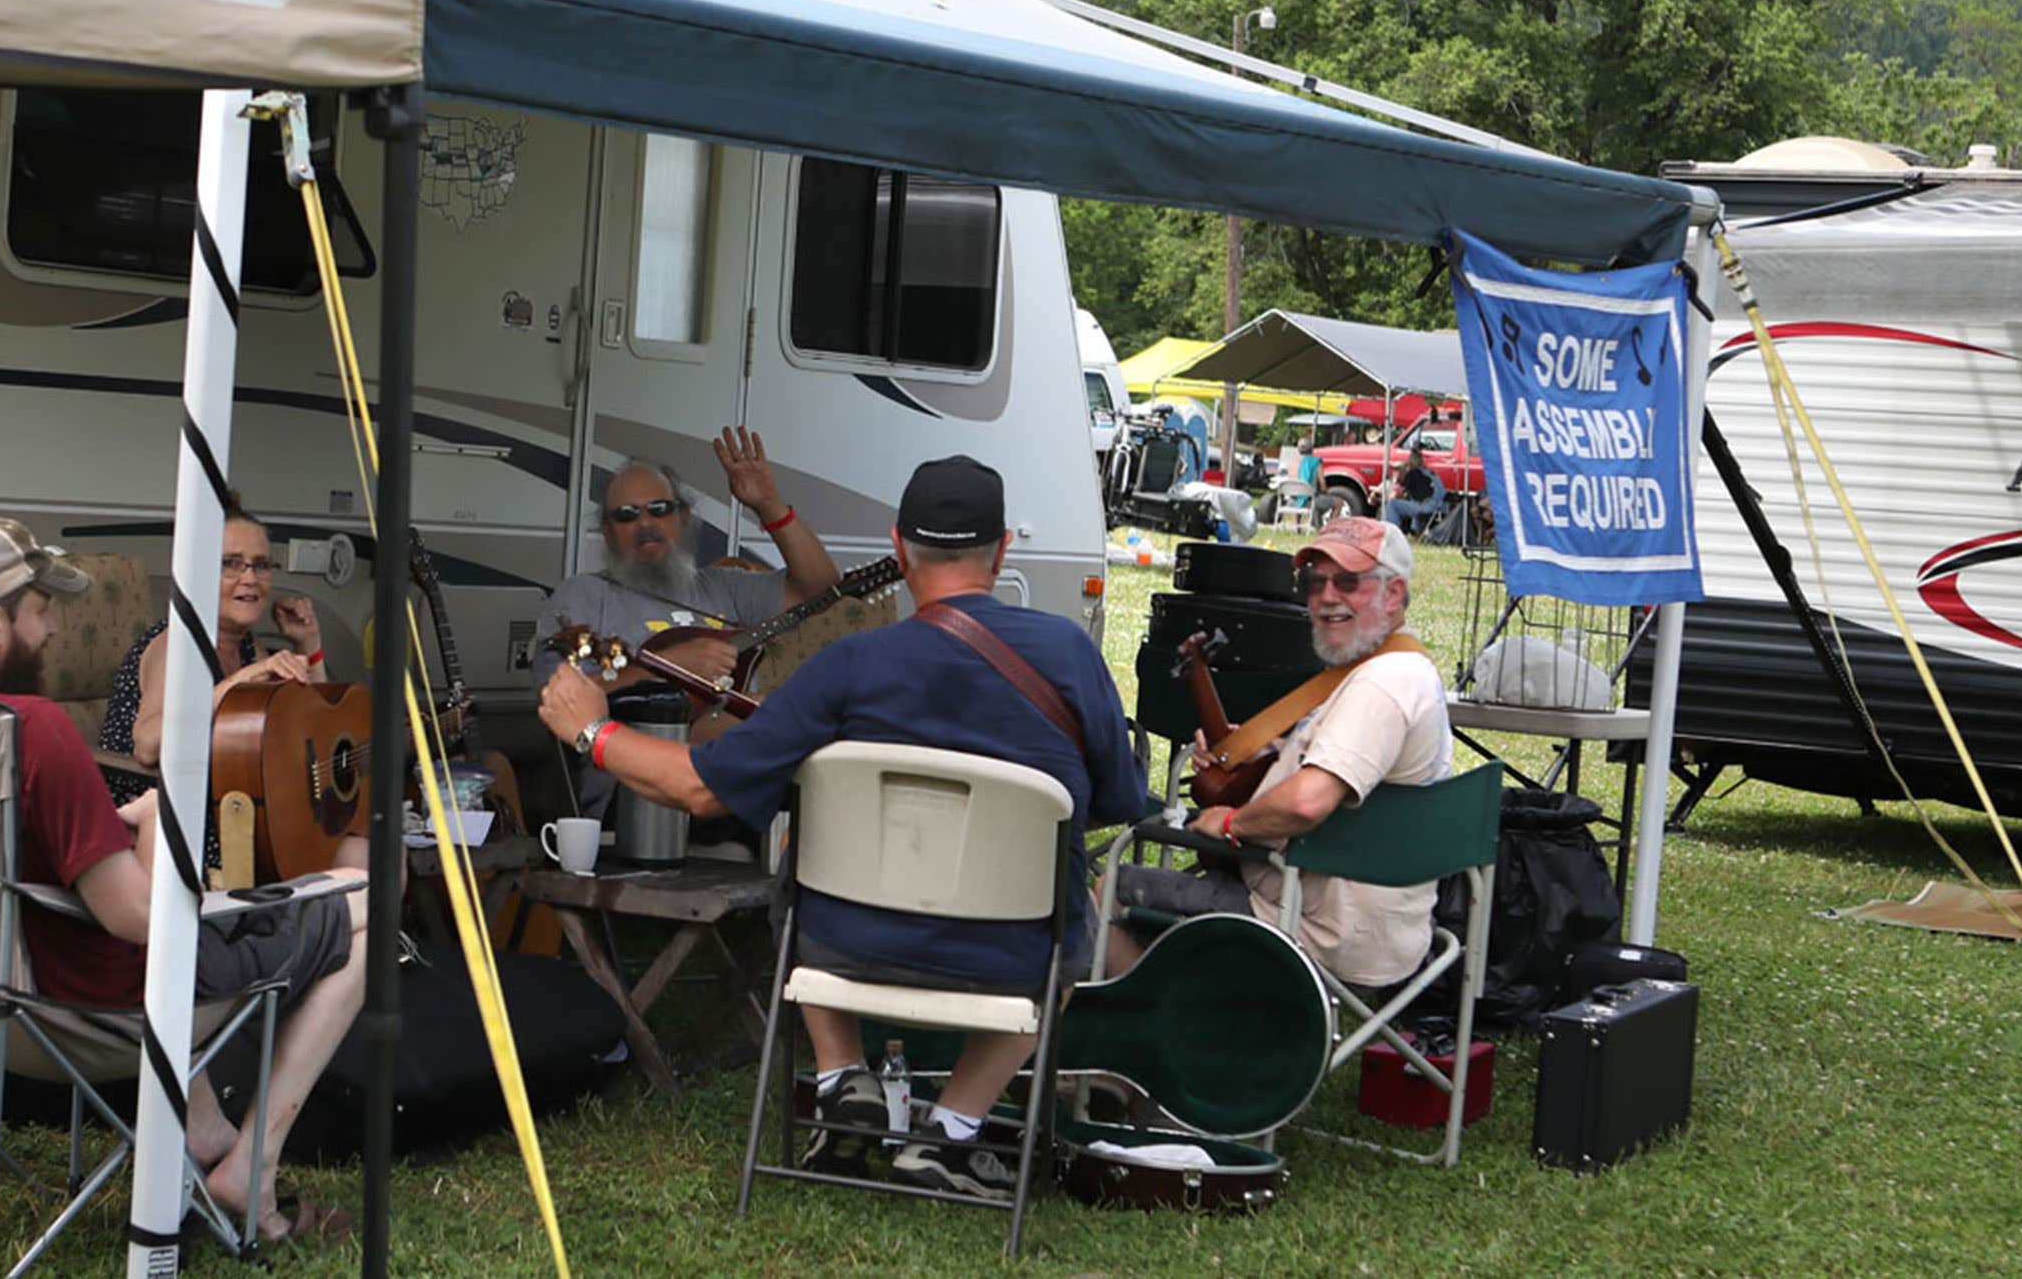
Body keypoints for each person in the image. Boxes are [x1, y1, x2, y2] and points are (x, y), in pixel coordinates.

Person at [538, 456, 1148, 1204]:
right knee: (1071, 894)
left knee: (801, 849)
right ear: (1000, 552)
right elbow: (1118, 800)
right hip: (1015, 953)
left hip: (848, 944)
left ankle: (840, 1077)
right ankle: (954, 1129)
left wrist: (592, 732)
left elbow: (698, 787)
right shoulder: (1070, 655)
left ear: (899, 550)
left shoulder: (850, 665)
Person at [0, 515, 368, 1250]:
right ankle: (252, 1170)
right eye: (41, 611)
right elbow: (142, 921)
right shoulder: (34, 728)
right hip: (90, 1000)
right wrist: (151, 819)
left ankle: (203, 1128)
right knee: (365, 905)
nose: (54, 629)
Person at [1108, 515, 1452, 993]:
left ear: (1393, 594)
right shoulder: (1386, 668)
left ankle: (1151, 1024)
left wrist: (1231, 824)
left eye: (1347, 582)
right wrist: (1250, 748)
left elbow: (1307, 802)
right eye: (1315, 582)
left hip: (1311, 924)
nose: (1326, 597)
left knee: (1110, 889)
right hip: (1356, 918)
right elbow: (1331, 760)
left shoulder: (1383, 684)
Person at [534, 427, 841, 816]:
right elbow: (555, 703)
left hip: (736, 792)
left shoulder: (723, 587)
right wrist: (667, 667)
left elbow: (820, 587)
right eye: (627, 515)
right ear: (609, 533)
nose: (645, 523)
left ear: (683, 517)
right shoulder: (582, 596)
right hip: (632, 800)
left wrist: (768, 504)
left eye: (660, 509)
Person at [98, 501, 322, 813]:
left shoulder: (248, 648)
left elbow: (314, 730)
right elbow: (148, 746)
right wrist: (239, 681)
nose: (250, 578)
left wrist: (309, 642)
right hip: (160, 812)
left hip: (227, 803)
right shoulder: (176, 644)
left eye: (261, 565)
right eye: (231, 563)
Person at [1386, 447, 1444, 537]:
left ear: (1410, 464)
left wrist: (1398, 477)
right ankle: (1416, 532)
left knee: (1392, 504)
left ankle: (1392, 534)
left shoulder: (1413, 473)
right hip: (1439, 508)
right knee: (1415, 501)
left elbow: (1397, 494)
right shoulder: (1431, 473)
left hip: (1425, 508)